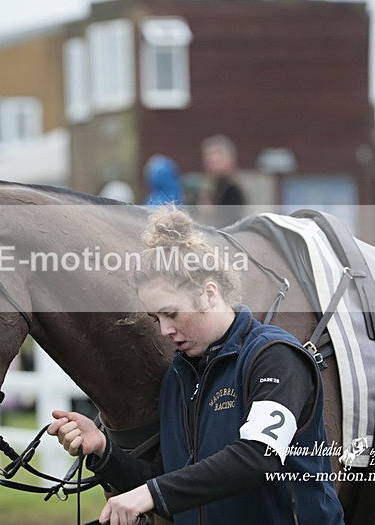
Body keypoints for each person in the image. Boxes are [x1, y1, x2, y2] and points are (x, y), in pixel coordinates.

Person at [48, 209, 343, 525]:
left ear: (209, 293)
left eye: (171, 314)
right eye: (156, 319)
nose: (164, 330)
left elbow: (258, 456)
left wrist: (150, 493)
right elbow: (171, 484)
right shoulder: (179, 375)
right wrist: (103, 450)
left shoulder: (275, 356)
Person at [199, 134, 246, 227]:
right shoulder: (215, 185)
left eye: (216, 162)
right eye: (208, 162)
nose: (210, 165)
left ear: (229, 160)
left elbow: (230, 222)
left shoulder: (232, 188)